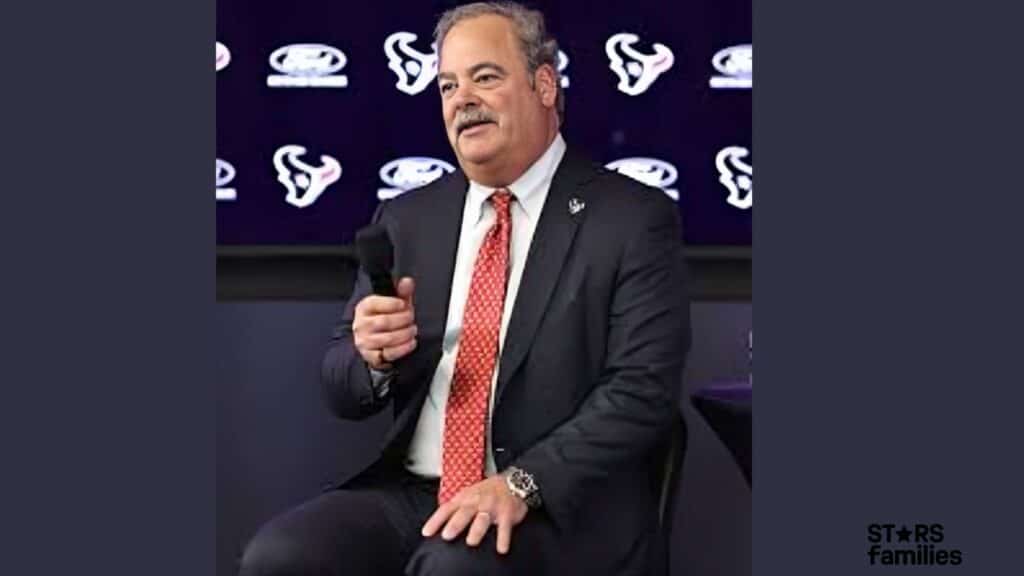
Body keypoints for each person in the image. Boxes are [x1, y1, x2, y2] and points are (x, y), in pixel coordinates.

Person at [240, 2, 690, 575]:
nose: (462, 99)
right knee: (279, 557)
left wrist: (522, 483)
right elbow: (341, 385)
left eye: (485, 77)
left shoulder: (629, 218)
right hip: (415, 494)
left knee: (456, 570)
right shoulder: (409, 219)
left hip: (553, 504)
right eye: (448, 85)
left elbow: (641, 391)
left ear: (544, 84)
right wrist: (371, 358)